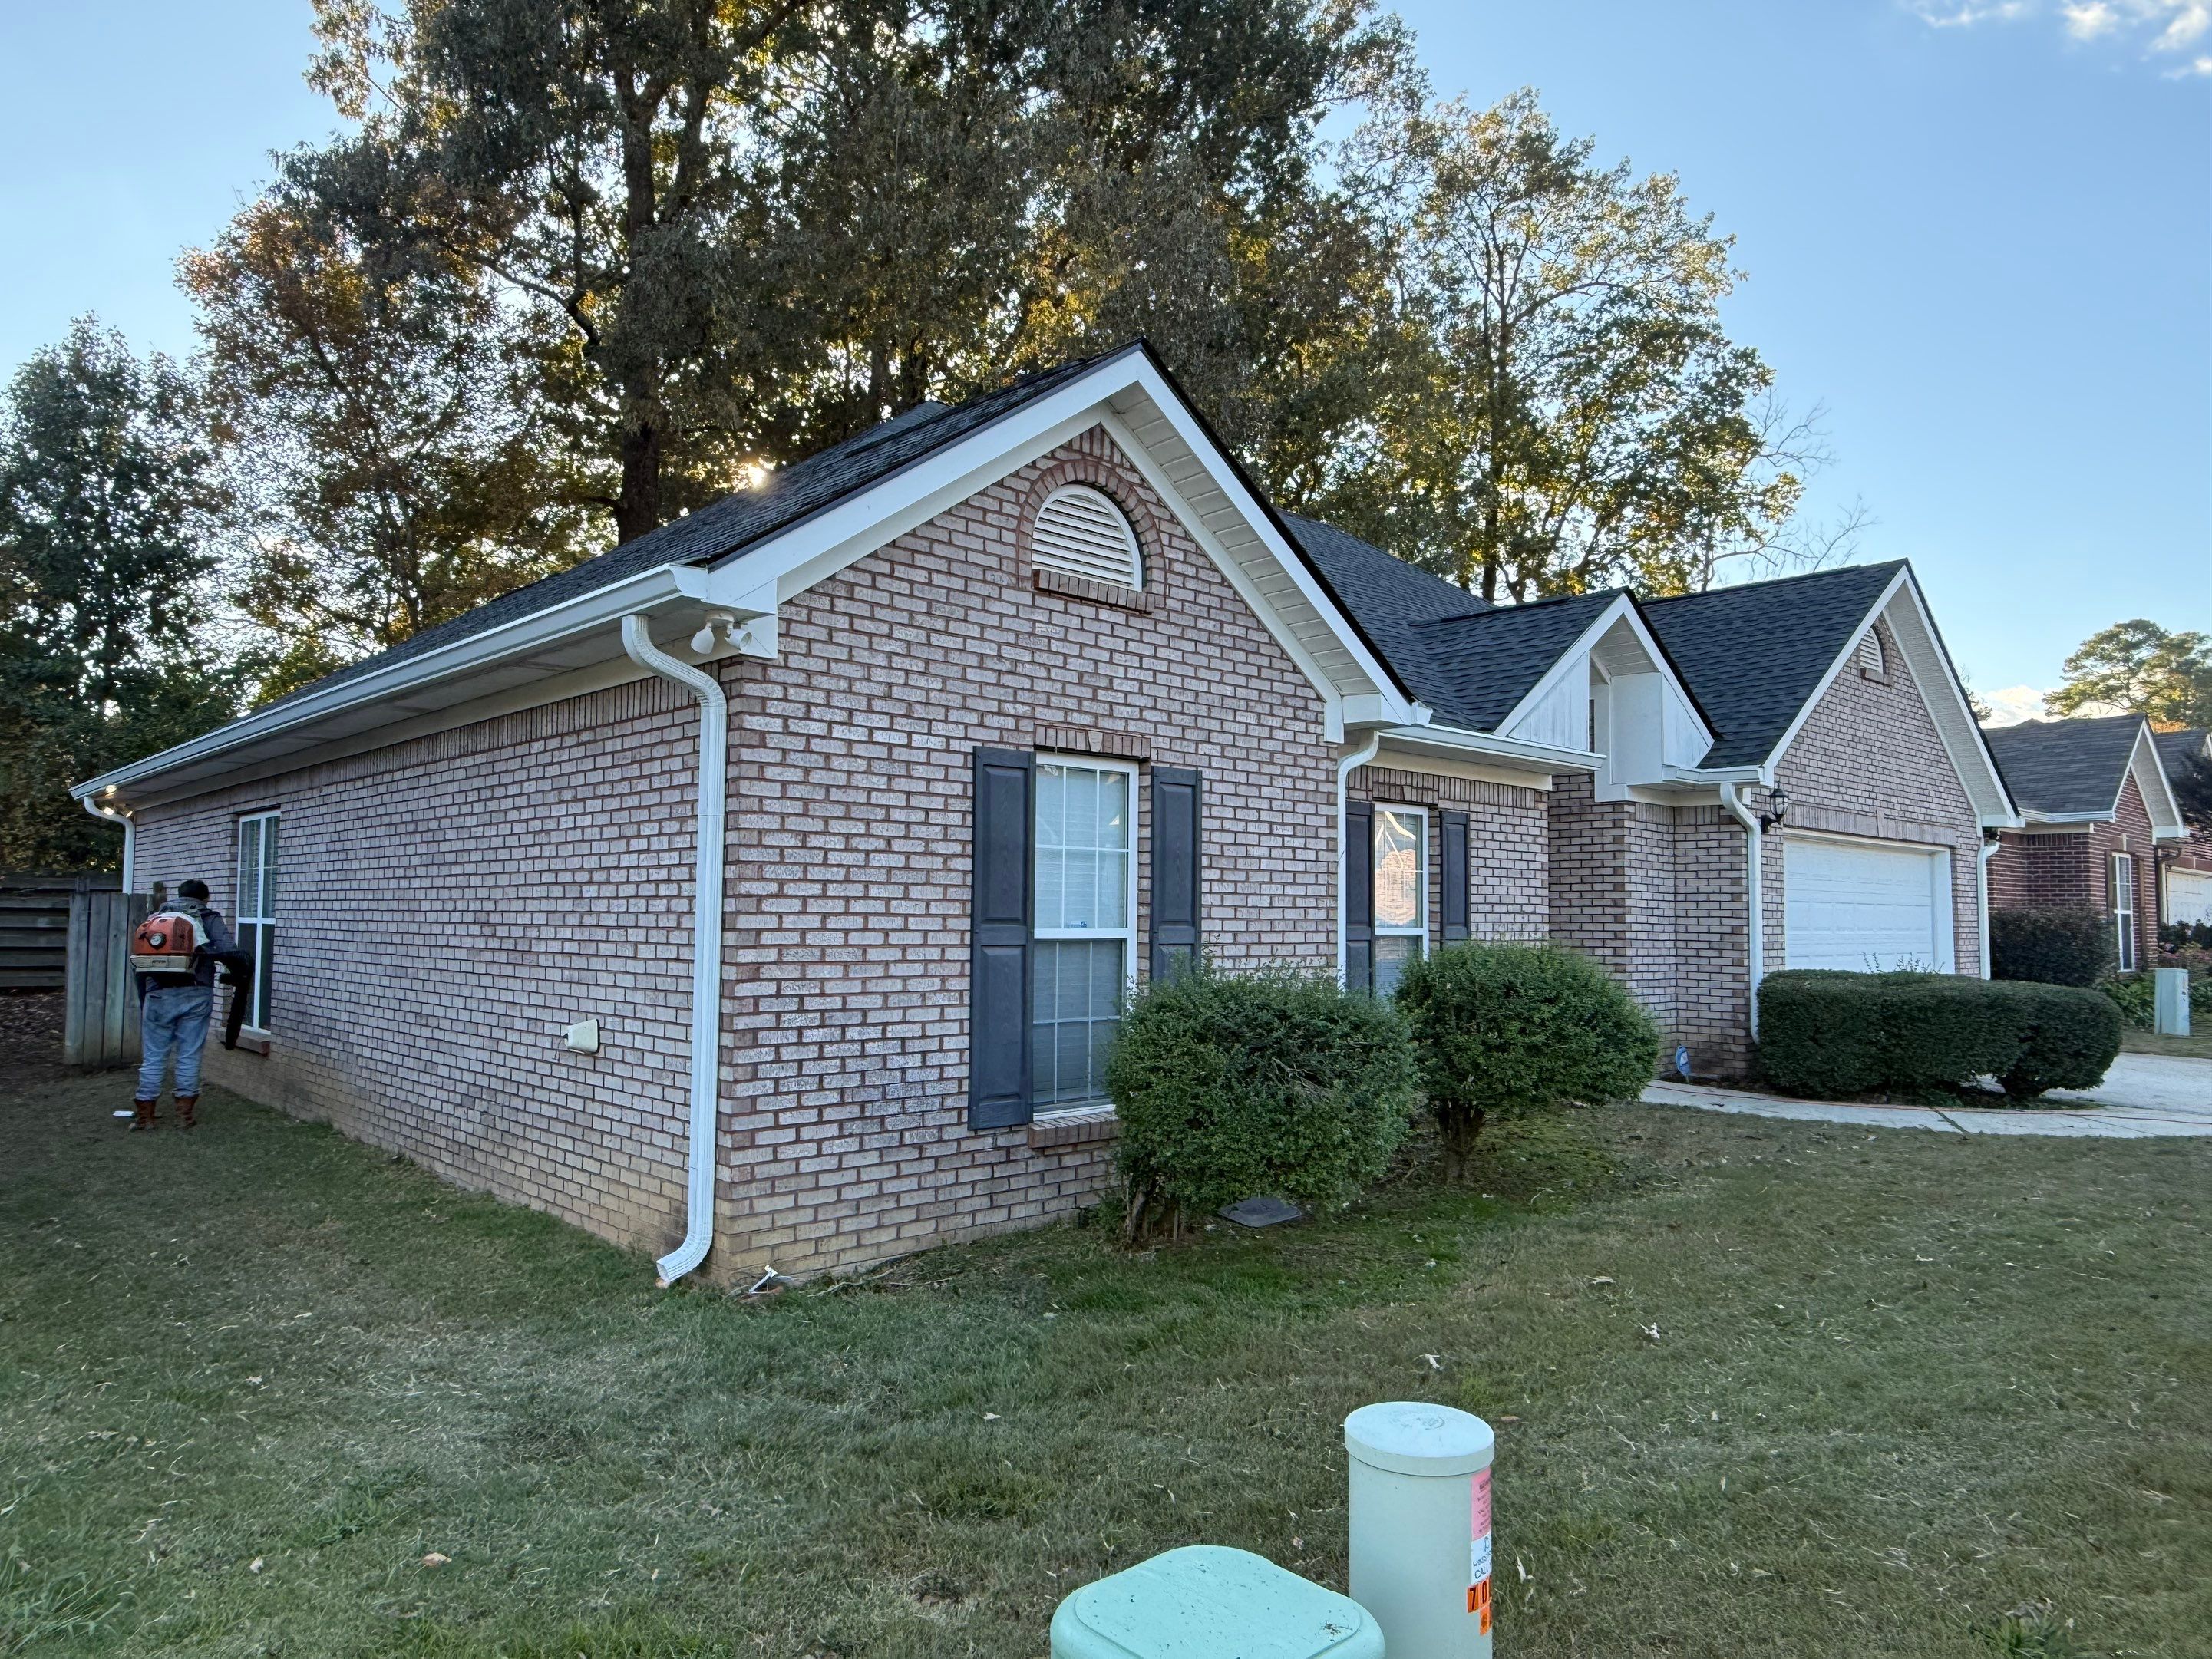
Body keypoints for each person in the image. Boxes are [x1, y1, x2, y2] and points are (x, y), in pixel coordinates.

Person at [132, 878, 241, 1131]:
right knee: (189, 1055)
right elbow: (228, 950)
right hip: (196, 993)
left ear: (178, 896)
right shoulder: (208, 916)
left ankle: (145, 1116)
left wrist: (144, 999)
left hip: (158, 993)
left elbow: (139, 962)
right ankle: (184, 1116)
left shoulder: (156, 918)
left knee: (154, 1057)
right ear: (205, 898)